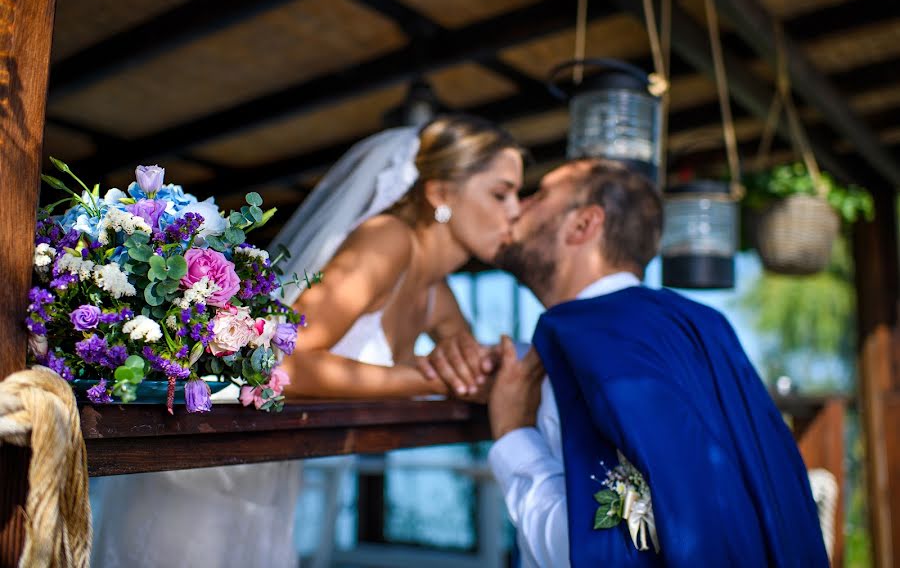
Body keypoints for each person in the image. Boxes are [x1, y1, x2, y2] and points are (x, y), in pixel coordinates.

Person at [91, 114, 524, 567]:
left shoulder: (436, 288)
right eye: (501, 193)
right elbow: (281, 362)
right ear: (440, 193)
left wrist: (469, 367)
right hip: (206, 469)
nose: (515, 209)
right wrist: (429, 379)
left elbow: (467, 362)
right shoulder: (387, 239)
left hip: (268, 471)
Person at [422, 158, 828, 567]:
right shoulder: (703, 327)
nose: (516, 206)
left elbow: (599, 554)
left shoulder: (587, 344)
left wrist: (513, 433)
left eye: (538, 195)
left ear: (583, 225)